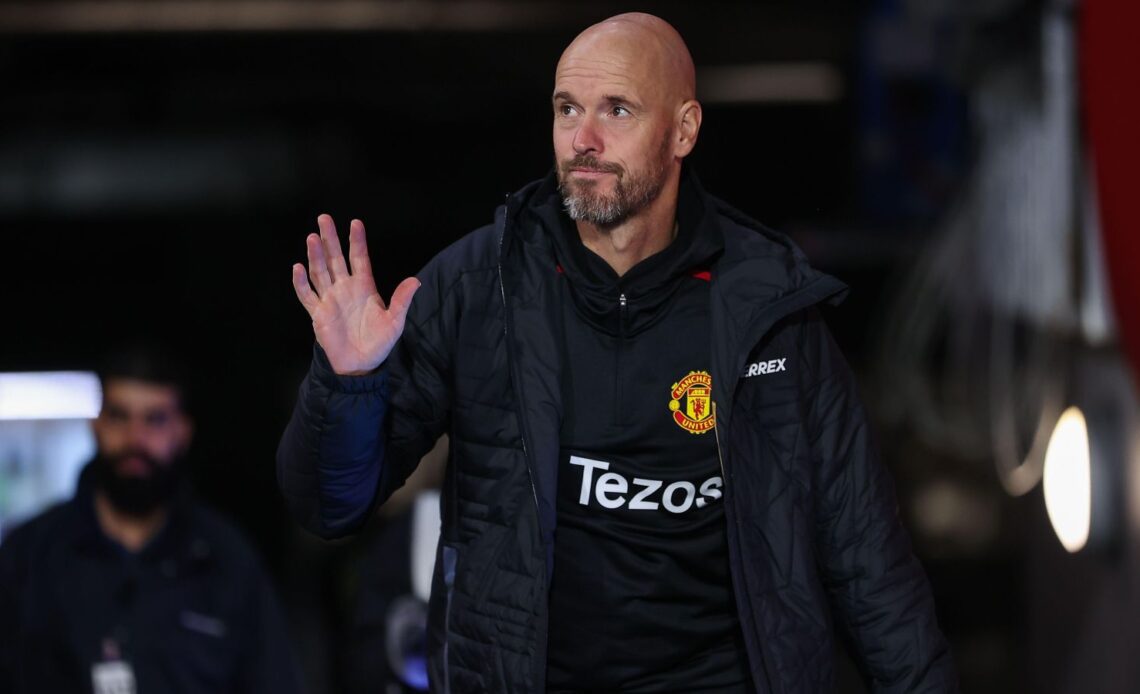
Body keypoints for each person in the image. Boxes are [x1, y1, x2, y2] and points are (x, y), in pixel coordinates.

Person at [278, 12, 957, 693]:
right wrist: (350, 382)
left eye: (618, 110)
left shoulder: (769, 311)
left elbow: (869, 562)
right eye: (567, 109)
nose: (583, 139)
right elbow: (330, 506)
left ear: (684, 129)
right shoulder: (479, 288)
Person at [0, 347, 302, 694]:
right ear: (96, 426)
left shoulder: (227, 561)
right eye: (119, 416)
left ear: (183, 432)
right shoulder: (29, 554)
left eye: (155, 419)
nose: (135, 438)